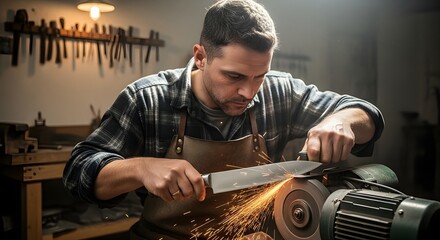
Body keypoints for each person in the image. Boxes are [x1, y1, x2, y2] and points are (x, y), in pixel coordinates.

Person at [62, 0, 384, 239]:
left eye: (260, 76)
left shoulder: (278, 92)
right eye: (234, 76)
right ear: (200, 57)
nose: (248, 91)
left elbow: (364, 113)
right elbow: (78, 171)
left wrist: (342, 122)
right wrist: (141, 168)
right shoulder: (147, 99)